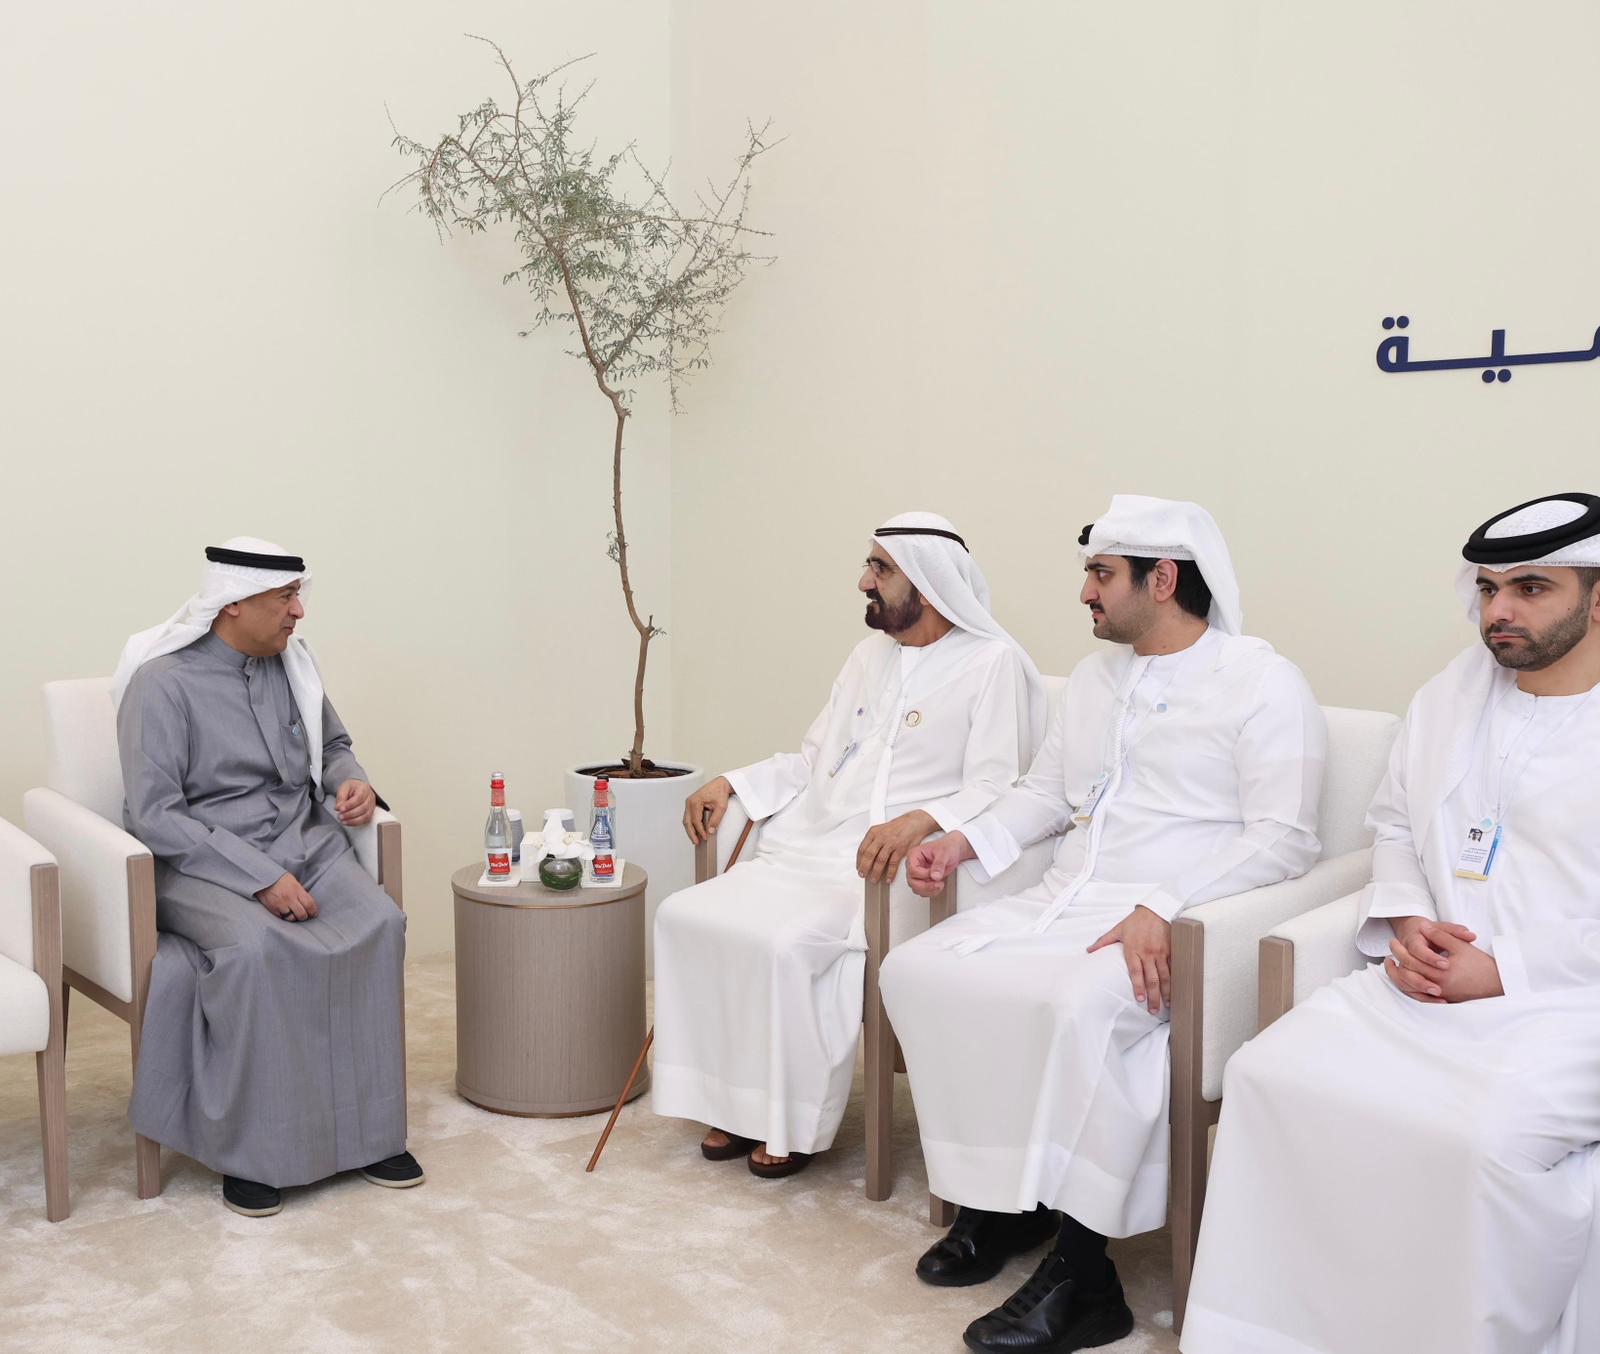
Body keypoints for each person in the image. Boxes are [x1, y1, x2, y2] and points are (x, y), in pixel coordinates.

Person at [880, 495, 1325, 1353]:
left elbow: (1285, 837)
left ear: (1163, 580)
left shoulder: (1263, 681)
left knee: (1076, 1007)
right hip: (1066, 899)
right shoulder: (1093, 679)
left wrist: (1166, 905)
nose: (1084, 592)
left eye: (1100, 574)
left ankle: (1086, 1277)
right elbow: (1048, 795)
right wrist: (964, 842)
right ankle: (1009, 1204)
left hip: (1178, 921)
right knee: (918, 969)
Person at [1183, 492, 1600, 1354]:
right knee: (1265, 1074)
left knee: (1482, 1139)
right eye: (1487, 589)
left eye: (1531, 589)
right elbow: (1396, 824)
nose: (1499, 611)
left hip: (1569, 1004)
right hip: (1422, 987)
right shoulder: (1453, 694)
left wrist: (1504, 970)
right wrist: (1407, 917)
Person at [652, 512, 1046, 1178]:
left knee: (788, 943)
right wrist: (734, 782)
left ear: (927, 582)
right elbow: (815, 759)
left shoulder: (991, 663)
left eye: (880, 569)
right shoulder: (868, 657)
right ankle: (735, 1104)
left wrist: (920, 820)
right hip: (807, 846)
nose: (864, 581)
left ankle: (787, 1121)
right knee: (683, 914)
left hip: (880, 869)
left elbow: (996, 784)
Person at [115, 538, 418, 1218]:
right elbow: (157, 815)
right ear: (233, 604)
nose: (297, 612)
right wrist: (259, 879)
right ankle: (253, 1153)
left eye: (296, 596)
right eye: (285, 598)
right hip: (199, 863)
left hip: (305, 842)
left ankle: (369, 1135)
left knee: (380, 924)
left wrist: (352, 783)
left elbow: (333, 746)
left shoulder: (292, 666)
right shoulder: (162, 685)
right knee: (257, 949)